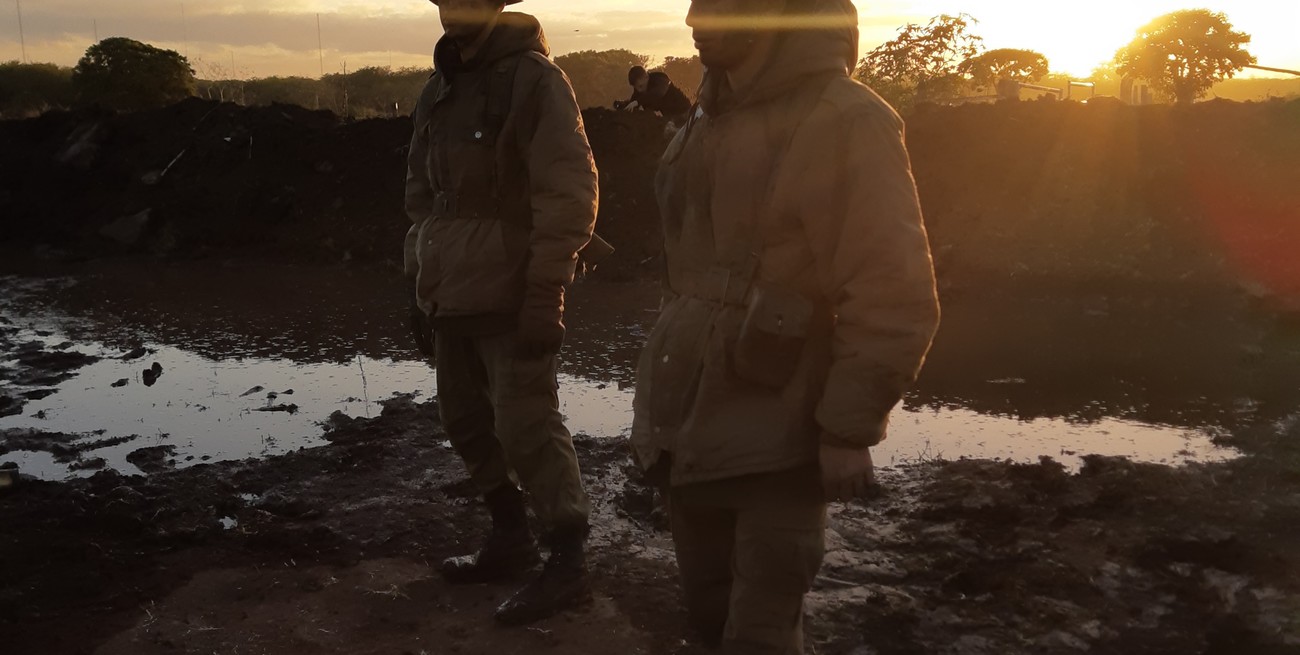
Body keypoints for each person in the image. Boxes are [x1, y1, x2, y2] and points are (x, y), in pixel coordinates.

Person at [630, 0, 941, 652]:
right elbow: (688, 277)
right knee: (708, 620)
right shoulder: (705, 119)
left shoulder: (848, 120)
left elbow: (891, 290)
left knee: (761, 634)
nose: (695, 18)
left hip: (781, 441)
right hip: (689, 424)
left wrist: (848, 429)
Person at [404, 0, 599, 626]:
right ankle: (509, 536)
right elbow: (422, 197)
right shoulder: (440, 85)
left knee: (527, 428)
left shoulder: (535, 80)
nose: (453, 9)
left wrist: (548, 292)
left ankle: (568, 562)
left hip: (513, 290)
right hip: (451, 285)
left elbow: (568, 190)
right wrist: (419, 283)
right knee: (462, 419)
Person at [616, 66, 694, 125]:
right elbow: (632, 104)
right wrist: (623, 105)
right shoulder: (639, 90)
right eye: (636, 88)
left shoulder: (660, 79)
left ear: (646, 77)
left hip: (685, 113)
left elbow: (658, 93)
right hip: (669, 118)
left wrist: (637, 102)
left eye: (641, 86)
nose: (639, 90)